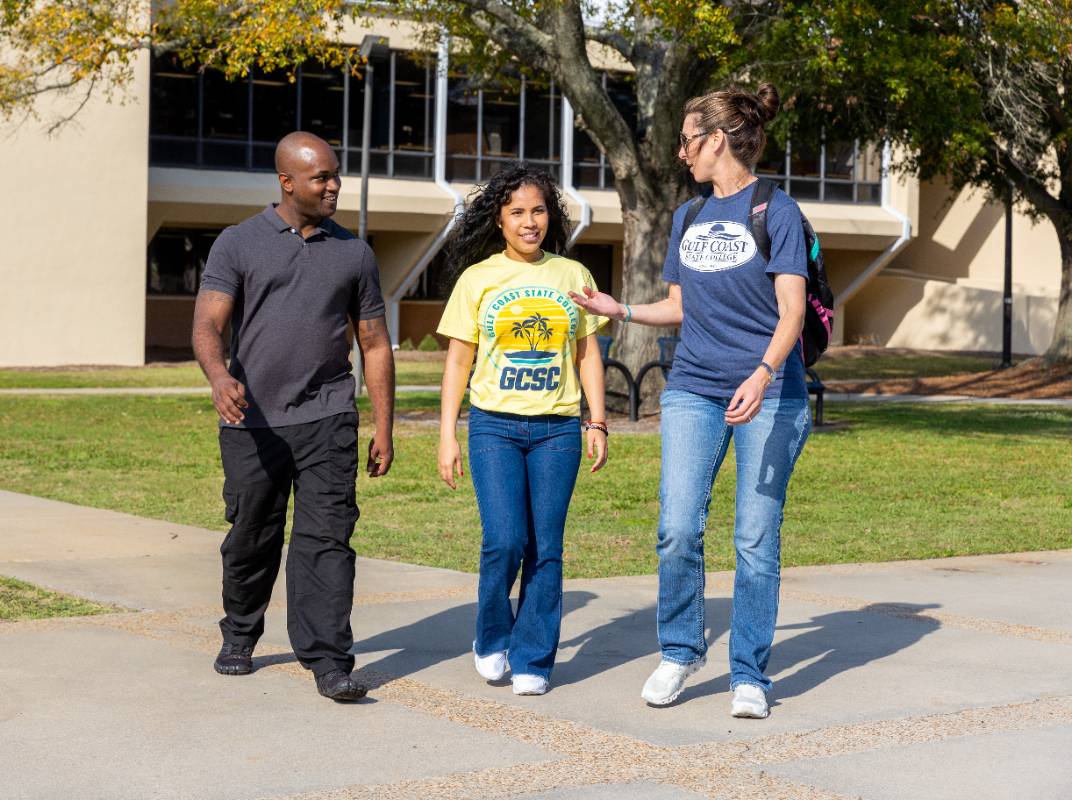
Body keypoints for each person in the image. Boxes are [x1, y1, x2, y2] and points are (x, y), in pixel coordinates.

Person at [571, 84, 811, 719]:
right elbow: (678, 307)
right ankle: (680, 650)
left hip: (770, 395)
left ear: (717, 140)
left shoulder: (777, 211)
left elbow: (791, 312)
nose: (680, 152)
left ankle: (749, 673)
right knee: (677, 528)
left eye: (686, 140)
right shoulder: (688, 216)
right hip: (694, 388)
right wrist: (620, 309)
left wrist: (763, 374)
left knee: (754, 538)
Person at [192, 131, 395, 702]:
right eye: (321, 177)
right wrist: (219, 376)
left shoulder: (354, 253)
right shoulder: (238, 243)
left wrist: (383, 425)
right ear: (287, 182)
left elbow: (374, 343)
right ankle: (240, 633)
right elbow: (208, 324)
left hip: (329, 414)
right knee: (252, 534)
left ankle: (329, 660)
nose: (334, 186)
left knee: (327, 538)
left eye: (336, 175)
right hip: (252, 420)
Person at [436, 164, 607, 697]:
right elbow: (458, 361)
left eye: (538, 211)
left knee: (546, 549)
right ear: (499, 220)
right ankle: (492, 637)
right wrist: (447, 435)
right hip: (495, 427)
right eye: (517, 212)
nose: (529, 222)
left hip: (558, 430)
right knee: (505, 540)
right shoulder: (477, 279)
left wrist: (597, 420)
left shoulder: (573, 275)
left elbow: (588, 354)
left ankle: (534, 657)